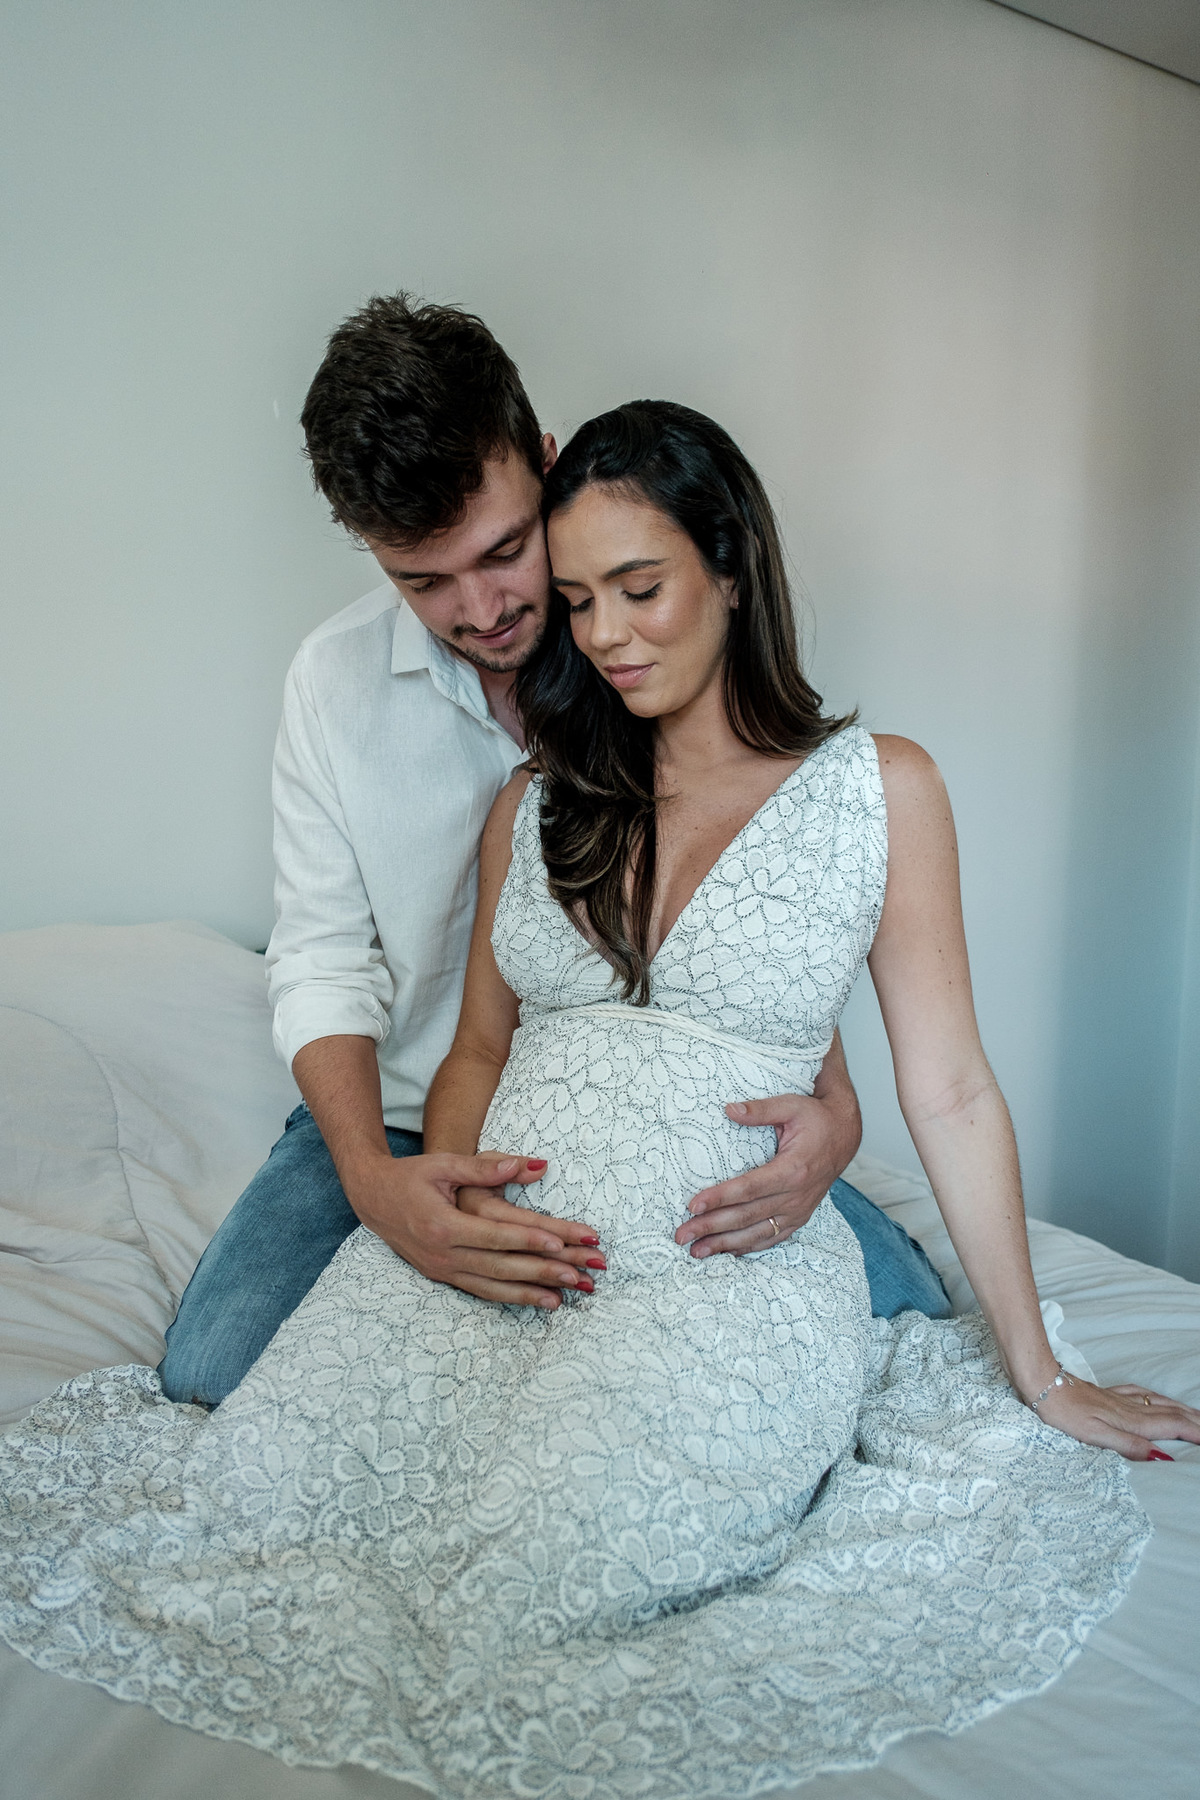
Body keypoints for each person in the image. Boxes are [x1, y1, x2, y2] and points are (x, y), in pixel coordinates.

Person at [2, 399, 1196, 1800]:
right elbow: (471, 1050)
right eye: (580, 601)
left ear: (731, 565)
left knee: (571, 1570)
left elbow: (953, 1088)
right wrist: (444, 1220)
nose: (608, 635)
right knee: (257, 1494)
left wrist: (1039, 1370)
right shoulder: (536, 797)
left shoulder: (881, 790)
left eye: (640, 588)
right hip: (509, 1241)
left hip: (707, 1258)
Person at [160, 295, 949, 1407]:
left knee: (915, 1338)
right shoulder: (334, 685)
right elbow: (323, 957)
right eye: (423, 581)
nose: (481, 610)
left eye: (503, 553)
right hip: (411, 1114)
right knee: (213, 1371)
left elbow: (758, 907)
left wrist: (841, 1114)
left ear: (544, 462)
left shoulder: (640, 642)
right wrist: (373, 1179)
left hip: (663, 1123)